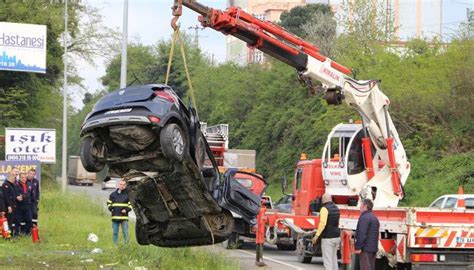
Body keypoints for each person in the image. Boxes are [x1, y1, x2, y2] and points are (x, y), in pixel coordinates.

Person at [312, 193, 341, 270]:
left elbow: (323, 223)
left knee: (327, 260)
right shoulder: (336, 208)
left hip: (328, 238)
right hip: (337, 236)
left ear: (324, 199)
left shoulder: (324, 209)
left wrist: (317, 235)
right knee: (334, 258)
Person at [355, 199, 380, 270]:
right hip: (373, 248)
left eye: (361, 205)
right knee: (371, 267)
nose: (359, 207)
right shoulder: (374, 218)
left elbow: (361, 234)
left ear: (365, 206)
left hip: (365, 249)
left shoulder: (364, 218)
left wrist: (358, 247)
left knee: (365, 267)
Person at [107, 179, 132, 244]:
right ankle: (115, 245)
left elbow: (131, 205)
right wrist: (111, 209)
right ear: (118, 185)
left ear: (125, 186)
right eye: (120, 184)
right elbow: (109, 203)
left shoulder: (128, 195)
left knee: (125, 232)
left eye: (123, 185)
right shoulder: (112, 195)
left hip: (124, 217)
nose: (122, 186)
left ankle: (126, 245)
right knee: (115, 232)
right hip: (115, 216)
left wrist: (126, 210)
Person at [2, 168, 22, 236]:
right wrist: (8, 206)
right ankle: (6, 236)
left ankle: (11, 235)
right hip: (8, 207)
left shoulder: (14, 185)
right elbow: (5, 197)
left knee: (12, 222)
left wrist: (18, 197)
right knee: (7, 222)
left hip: (14, 206)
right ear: (10, 173)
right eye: (15, 172)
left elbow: (15, 195)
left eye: (17, 172)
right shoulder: (5, 184)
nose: (16, 174)